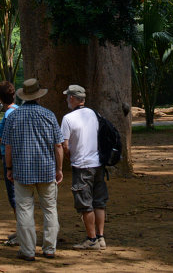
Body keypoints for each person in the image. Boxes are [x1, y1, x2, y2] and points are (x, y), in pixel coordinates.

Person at [3, 78, 64, 261]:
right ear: (38, 96)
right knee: (50, 209)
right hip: (47, 170)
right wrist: (59, 168)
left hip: (22, 172)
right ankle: (49, 248)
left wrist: (9, 167)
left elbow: (8, 147)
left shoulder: (13, 116)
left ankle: (28, 251)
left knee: (24, 210)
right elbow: (58, 145)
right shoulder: (49, 115)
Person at [61, 84, 109, 250]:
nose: (67, 99)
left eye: (68, 96)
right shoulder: (95, 114)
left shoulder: (68, 119)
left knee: (85, 204)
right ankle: (101, 237)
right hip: (98, 164)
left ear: (73, 98)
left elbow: (64, 145)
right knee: (99, 202)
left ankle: (91, 239)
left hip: (81, 166)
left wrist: (70, 156)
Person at [0, 81, 19, 246]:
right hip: (19, 156)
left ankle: (22, 232)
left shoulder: (9, 114)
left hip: (10, 158)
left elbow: (8, 139)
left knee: (14, 196)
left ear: (1, 98)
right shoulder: (18, 111)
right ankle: (21, 228)